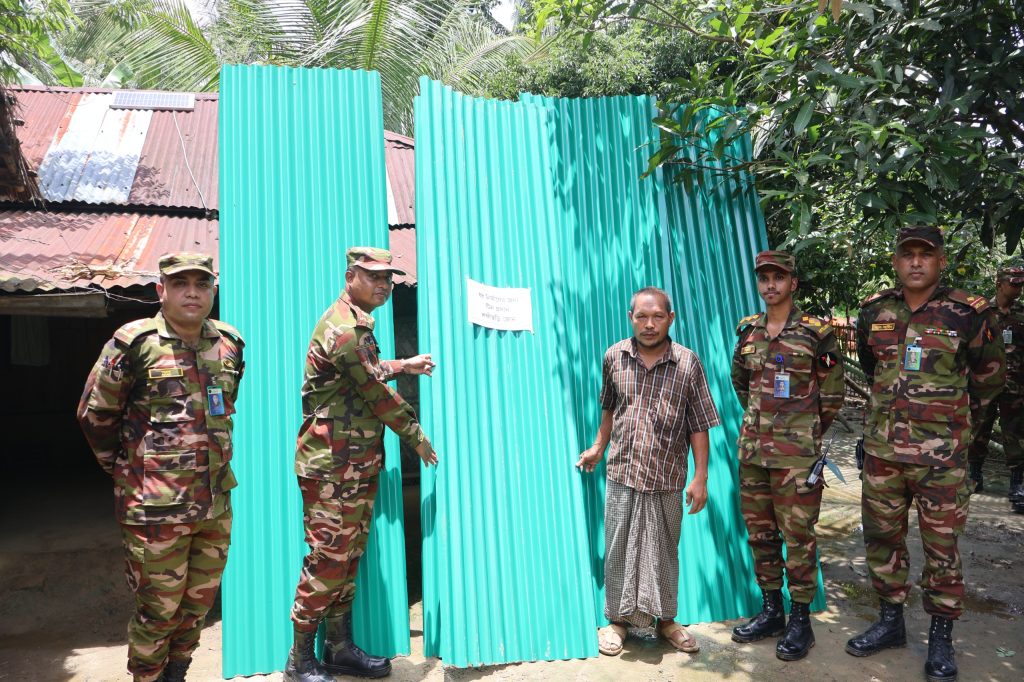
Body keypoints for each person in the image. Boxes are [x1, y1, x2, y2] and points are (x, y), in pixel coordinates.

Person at [846, 226, 1004, 682]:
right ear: (896, 261)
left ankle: (940, 638)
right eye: (908, 254)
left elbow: (989, 378)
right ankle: (890, 622)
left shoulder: (967, 313)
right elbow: (875, 370)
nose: (916, 262)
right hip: (883, 454)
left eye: (926, 254)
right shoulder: (875, 311)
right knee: (882, 539)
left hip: (942, 460)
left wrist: (953, 425)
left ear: (941, 261)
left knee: (942, 548)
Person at [77, 252, 245, 682]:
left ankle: (177, 674)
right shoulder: (133, 344)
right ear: (161, 290)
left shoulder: (229, 344)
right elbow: (96, 416)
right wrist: (125, 472)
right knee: (157, 612)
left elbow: (223, 411)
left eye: (201, 284)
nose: (192, 293)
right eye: (180, 283)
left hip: (214, 506)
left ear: (213, 291)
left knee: (197, 607)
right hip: (154, 510)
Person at [284, 247, 438, 682]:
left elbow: (363, 371)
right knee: (327, 559)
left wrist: (403, 364)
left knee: (348, 557)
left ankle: (338, 649)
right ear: (351, 275)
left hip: (354, 463)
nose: (384, 285)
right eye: (374, 277)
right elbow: (376, 394)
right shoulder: (345, 328)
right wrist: (416, 437)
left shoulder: (357, 326)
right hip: (331, 468)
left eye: (388, 279)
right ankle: (299, 661)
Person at [576, 286, 720, 657]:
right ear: (631, 318)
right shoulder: (614, 356)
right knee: (619, 549)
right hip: (623, 472)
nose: (649, 324)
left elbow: (699, 424)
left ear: (671, 318)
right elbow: (609, 408)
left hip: (667, 475)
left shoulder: (687, 363)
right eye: (642, 316)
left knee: (664, 553)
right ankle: (617, 622)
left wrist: (700, 476)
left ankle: (666, 621)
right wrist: (598, 446)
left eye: (657, 316)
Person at [729, 250, 845, 661]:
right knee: (761, 535)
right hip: (753, 453)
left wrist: (802, 433)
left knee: (798, 538)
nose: (770, 285)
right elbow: (741, 384)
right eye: (764, 278)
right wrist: (763, 426)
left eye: (778, 278)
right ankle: (771, 610)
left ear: (793, 283)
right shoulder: (748, 331)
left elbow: (832, 394)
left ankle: (800, 620)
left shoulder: (816, 333)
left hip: (797, 459)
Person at [967, 263, 1024, 510]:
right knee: (979, 429)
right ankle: (974, 475)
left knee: (1016, 434)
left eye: (1021, 284)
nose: (1018, 289)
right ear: (1000, 284)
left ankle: (1017, 483)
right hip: (984, 384)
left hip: (1016, 385)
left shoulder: (1022, 312)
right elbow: (970, 347)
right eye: (1014, 284)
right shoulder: (982, 312)